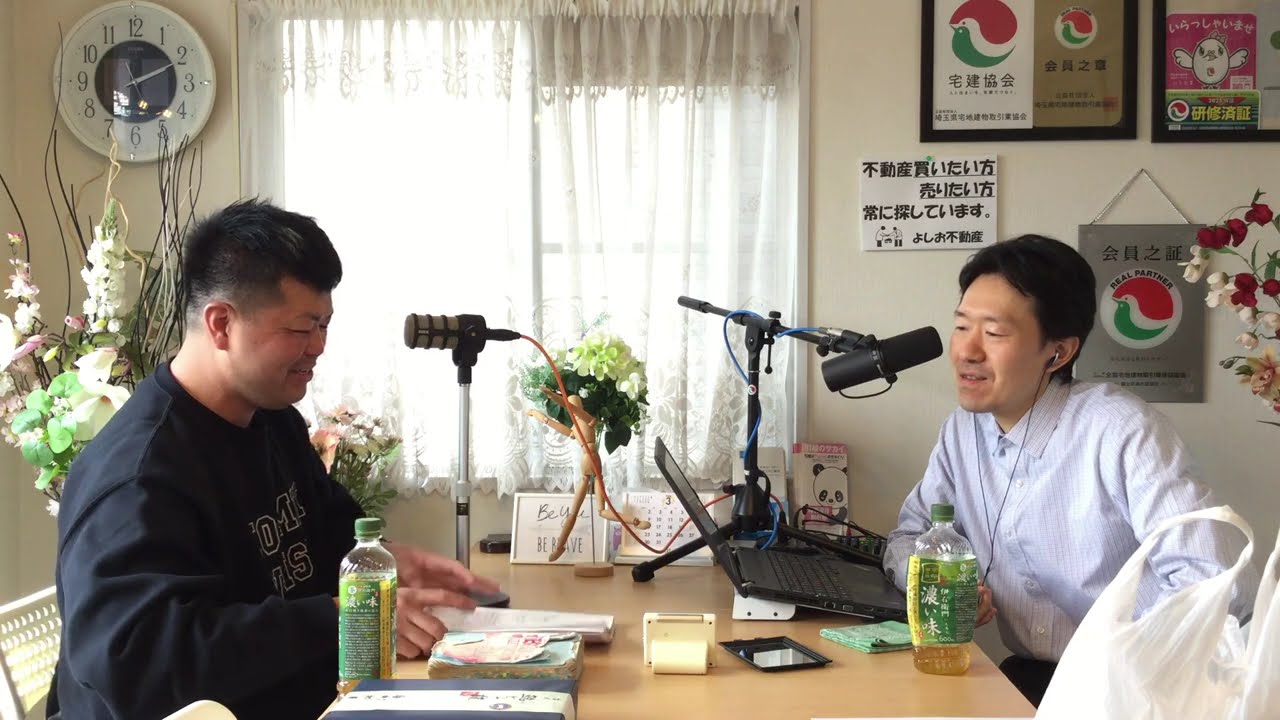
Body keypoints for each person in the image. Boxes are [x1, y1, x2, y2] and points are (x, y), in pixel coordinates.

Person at [49, 200, 500, 720]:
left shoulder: (272, 421)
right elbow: (141, 666)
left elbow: (329, 532)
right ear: (221, 324)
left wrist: (383, 561)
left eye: (325, 324)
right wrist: (345, 617)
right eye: (301, 328)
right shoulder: (139, 476)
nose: (319, 346)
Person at [883, 234, 1257, 707]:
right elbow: (908, 537)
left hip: (1144, 689)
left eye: (994, 334)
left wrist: (1123, 652)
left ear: (1057, 352)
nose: (966, 351)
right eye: (961, 326)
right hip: (1034, 677)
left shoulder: (1120, 429)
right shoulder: (962, 431)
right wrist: (938, 580)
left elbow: (1218, 587)